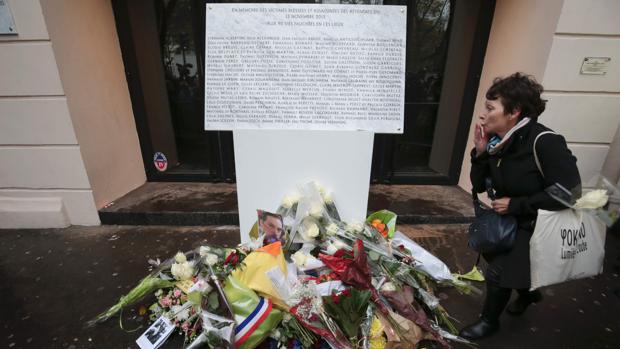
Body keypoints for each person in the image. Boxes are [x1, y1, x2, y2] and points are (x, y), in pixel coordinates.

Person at [460, 73, 581, 340]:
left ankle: (489, 322)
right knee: (504, 262)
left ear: (514, 112)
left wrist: (518, 203)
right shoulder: (498, 141)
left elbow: (569, 192)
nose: (484, 114)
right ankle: (528, 293)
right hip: (509, 221)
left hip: (537, 223)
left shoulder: (545, 141)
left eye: (491, 108)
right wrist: (480, 152)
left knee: (499, 272)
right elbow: (479, 185)